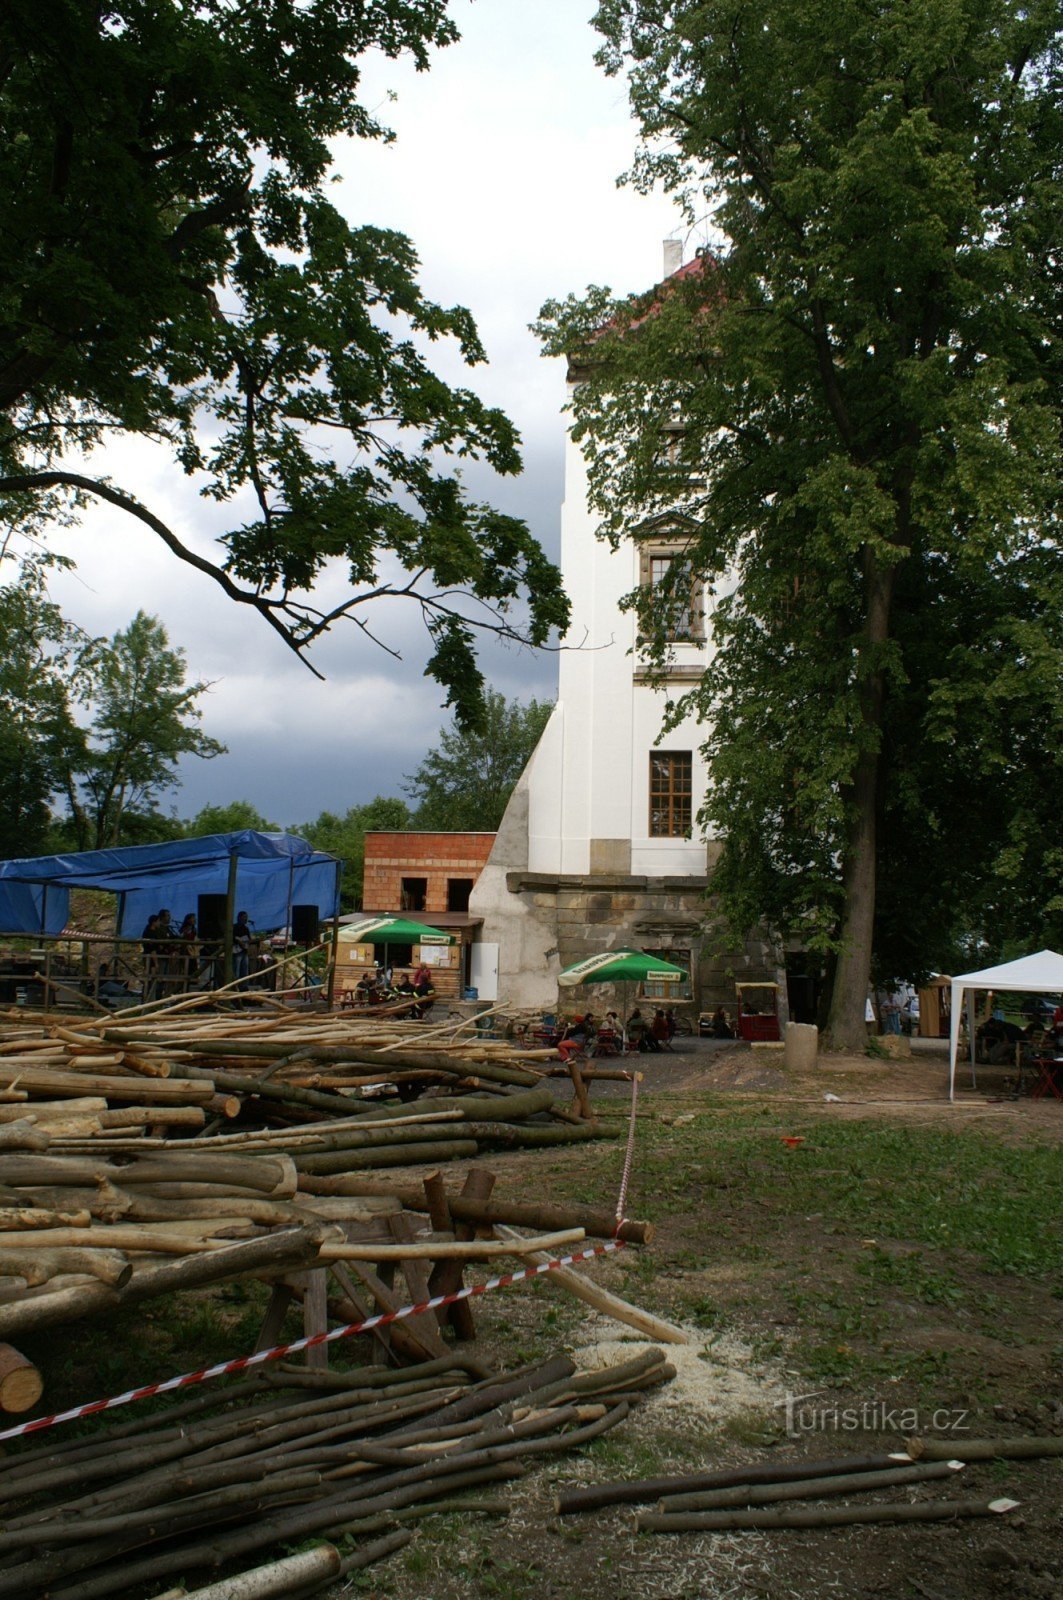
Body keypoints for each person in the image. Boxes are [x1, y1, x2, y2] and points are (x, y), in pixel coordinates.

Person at [233, 911, 255, 982]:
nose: (246, 919)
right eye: (244, 917)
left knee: (244, 970)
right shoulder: (234, 927)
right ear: (239, 918)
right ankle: (235, 986)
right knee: (236, 970)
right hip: (236, 951)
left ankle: (244, 986)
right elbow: (232, 937)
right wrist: (239, 941)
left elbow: (248, 940)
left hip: (244, 952)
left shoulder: (246, 929)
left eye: (246, 917)